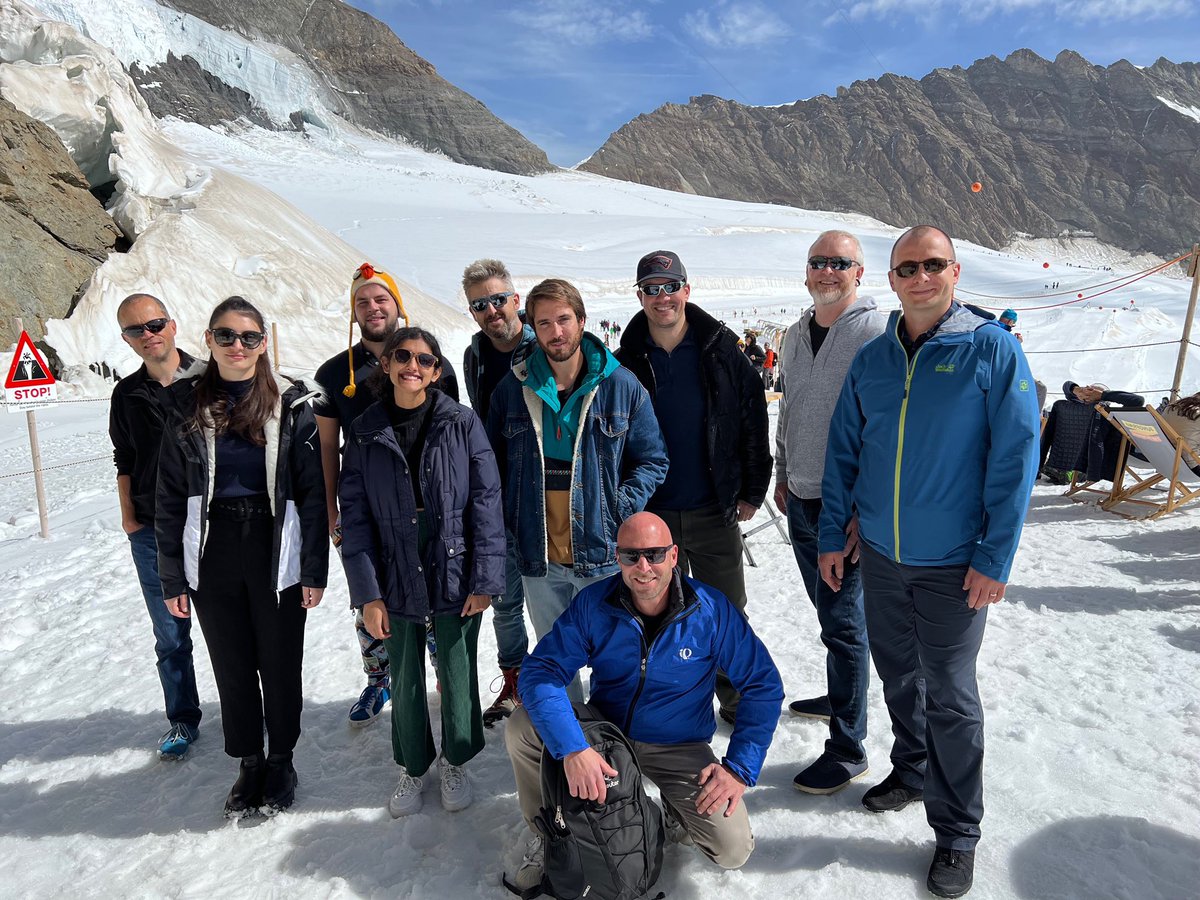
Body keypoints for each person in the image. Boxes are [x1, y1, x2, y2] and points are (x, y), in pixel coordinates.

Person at [818, 226, 1040, 898]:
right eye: (907, 268)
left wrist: (994, 557)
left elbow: (1015, 459)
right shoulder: (875, 359)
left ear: (955, 271)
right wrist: (833, 534)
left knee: (950, 693)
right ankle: (912, 769)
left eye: (933, 265)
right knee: (898, 676)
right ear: (891, 279)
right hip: (883, 557)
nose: (921, 278)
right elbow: (844, 451)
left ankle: (957, 832)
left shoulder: (991, 350)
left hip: (954, 563)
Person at [503, 512, 783, 892]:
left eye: (654, 554)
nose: (643, 567)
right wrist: (573, 748)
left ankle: (670, 809)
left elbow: (763, 684)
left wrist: (737, 769)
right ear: (617, 558)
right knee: (522, 727)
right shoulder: (595, 604)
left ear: (673, 555)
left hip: (678, 744)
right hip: (607, 735)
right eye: (631, 556)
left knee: (732, 849)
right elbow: (541, 671)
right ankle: (550, 829)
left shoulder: (711, 611)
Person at [157, 296, 328, 818]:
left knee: (279, 660)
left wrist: (313, 569)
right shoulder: (185, 403)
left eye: (249, 337)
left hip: (274, 544)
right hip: (211, 545)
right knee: (231, 662)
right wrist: (172, 577)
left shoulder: (291, 404)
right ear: (208, 340)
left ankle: (281, 760)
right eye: (226, 335)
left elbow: (312, 493)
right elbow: (169, 495)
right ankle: (249, 760)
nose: (238, 346)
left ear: (263, 344)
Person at [339, 326, 504, 816]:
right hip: (392, 552)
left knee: (456, 661)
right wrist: (368, 594)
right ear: (387, 364)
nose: (414, 365)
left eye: (425, 360)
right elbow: (355, 514)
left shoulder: (461, 421)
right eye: (404, 356)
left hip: (453, 550)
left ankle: (456, 759)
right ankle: (413, 765)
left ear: (436, 371)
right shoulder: (365, 429)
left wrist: (485, 578)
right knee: (405, 663)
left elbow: (486, 500)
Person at [486, 278, 668, 703]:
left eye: (564, 319)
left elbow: (653, 459)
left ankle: (611, 731)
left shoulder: (620, 385)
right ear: (532, 328)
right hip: (539, 555)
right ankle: (569, 734)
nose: (556, 332)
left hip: (601, 550)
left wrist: (617, 507)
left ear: (582, 321)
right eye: (544, 323)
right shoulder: (513, 389)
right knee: (555, 655)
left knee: (614, 652)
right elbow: (491, 468)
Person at [615, 249, 771, 725]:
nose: (662, 297)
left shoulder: (721, 351)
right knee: (655, 612)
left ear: (687, 289)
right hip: (651, 515)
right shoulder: (624, 362)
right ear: (640, 296)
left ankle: (735, 698)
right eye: (651, 289)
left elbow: (751, 417)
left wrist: (752, 488)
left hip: (712, 507)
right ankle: (669, 702)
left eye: (670, 287)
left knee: (727, 610)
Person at [313, 262, 458, 728]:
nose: (372, 307)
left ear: (397, 305)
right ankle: (380, 678)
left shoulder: (431, 362)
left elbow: (453, 439)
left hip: (425, 505)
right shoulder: (333, 373)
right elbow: (328, 447)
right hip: (366, 506)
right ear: (353, 312)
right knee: (369, 593)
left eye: (381, 299)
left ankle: (442, 670)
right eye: (362, 301)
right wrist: (332, 508)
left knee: (434, 587)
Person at [772, 230, 885, 794]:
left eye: (840, 262)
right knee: (829, 613)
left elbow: (884, 426)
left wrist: (865, 506)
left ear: (859, 273)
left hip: (845, 505)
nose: (828, 271)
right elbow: (790, 407)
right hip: (800, 495)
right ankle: (843, 696)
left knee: (844, 623)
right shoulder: (795, 334)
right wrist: (782, 471)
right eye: (819, 261)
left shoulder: (876, 332)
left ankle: (848, 747)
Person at [110, 293, 203, 760]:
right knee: (170, 632)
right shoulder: (126, 394)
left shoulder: (208, 378)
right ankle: (182, 717)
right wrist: (129, 518)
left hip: (210, 526)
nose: (148, 335)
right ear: (126, 339)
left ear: (172, 325)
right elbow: (124, 459)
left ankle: (250, 709)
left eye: (155, 324)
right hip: (151, 531)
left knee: (235, 627)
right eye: (135, 330)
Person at [460, 259, 537, 726]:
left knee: (553, 599)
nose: (491, 311)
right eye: (479, 305)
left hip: (545, 494)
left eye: (497, 299)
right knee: (505, 600)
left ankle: (557, 683)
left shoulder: (545, 342)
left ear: (515, 299)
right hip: (497, 496)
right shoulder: (474, 356)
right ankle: (515, 680)